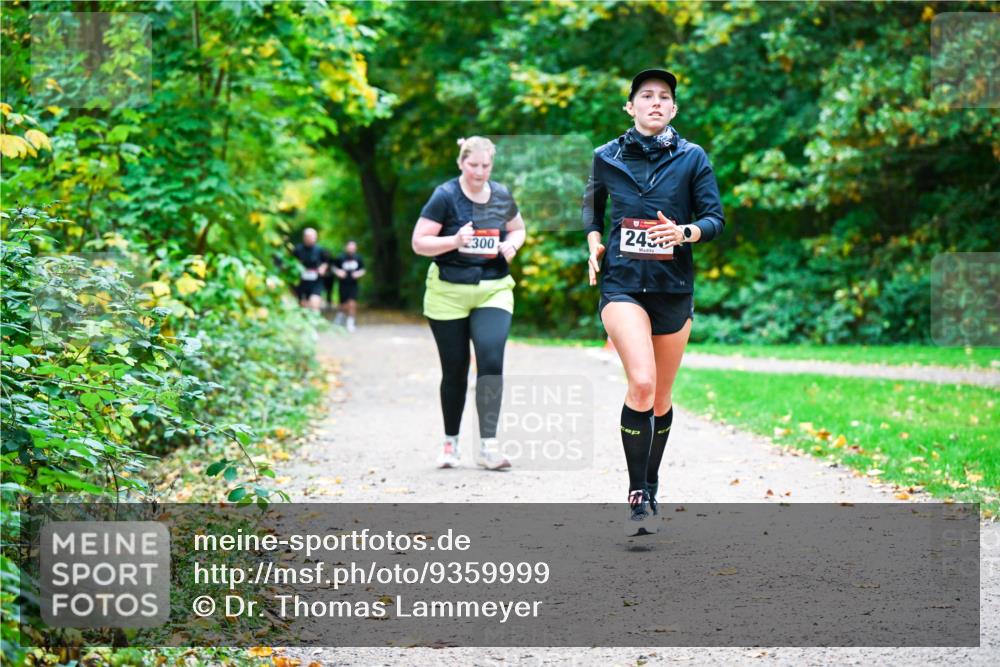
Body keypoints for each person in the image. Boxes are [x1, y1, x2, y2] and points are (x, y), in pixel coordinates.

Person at [583, 69, 725, 535]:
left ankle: (653, 480)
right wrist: (593, 241)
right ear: (631, 106)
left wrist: (684, 232)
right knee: (640, 384)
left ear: (674, 109)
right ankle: (637, 496)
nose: (656, 102)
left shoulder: (692, 158)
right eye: (646, 96)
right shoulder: (606, 156)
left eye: (665, 97)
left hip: (672, 287)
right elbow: (593, 206)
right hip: (622, 284)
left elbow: (714, 219)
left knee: (661, 398)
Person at [411, 136, 527, 471]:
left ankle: (488, 447)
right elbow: (419, 243)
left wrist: (512, 246)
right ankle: (450, 444)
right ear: (461, 163)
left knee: (491, 359)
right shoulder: (445, 196)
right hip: (448, 292)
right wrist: (455, 240)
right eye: (473, 165)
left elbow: (518, 229)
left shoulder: (501, 194)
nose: (479, 172)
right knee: (455, 369)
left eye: (485, 166)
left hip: (494, 288)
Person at [331, 240, 366, 332]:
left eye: (353, 247)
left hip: (354, 284)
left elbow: (363, 270)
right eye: (349, 247)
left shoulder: (358, 258)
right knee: (343, 304)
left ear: (355, 248)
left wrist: (359, 274)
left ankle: (350, 322)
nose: (351, 249)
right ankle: (340, 316)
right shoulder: (340, 257)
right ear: (346, 247)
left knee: (352, 303)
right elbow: (333, 267)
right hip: (343, 284)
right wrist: (338, 272)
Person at [292, 228, 330, 311]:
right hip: (302, 281)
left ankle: (315, 320)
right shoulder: (297, 249)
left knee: (314, 302)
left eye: (313, 237)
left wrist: (322, 268)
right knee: (303, 306)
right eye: (308, 237)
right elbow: (291, 263)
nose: (310, 239)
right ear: (304, 237)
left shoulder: (320, 250)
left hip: (316, 280)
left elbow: (326, 262)